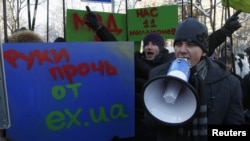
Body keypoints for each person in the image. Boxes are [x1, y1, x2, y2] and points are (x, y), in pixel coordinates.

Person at [145, 18, 245, 141]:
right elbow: (150, 124)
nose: (182, 50)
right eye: (178, 44)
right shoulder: (158, 74)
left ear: (204, 52)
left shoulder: (229, 83)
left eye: (190, 44)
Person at [134, 32, 175, 141]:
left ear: (161, 48)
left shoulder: (171, 63)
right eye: (147, 44)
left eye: (154, 44)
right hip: (138, 121)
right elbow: (117, 48)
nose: (149, 47)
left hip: (161, 122)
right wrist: (100, 29)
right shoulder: (135, 60)